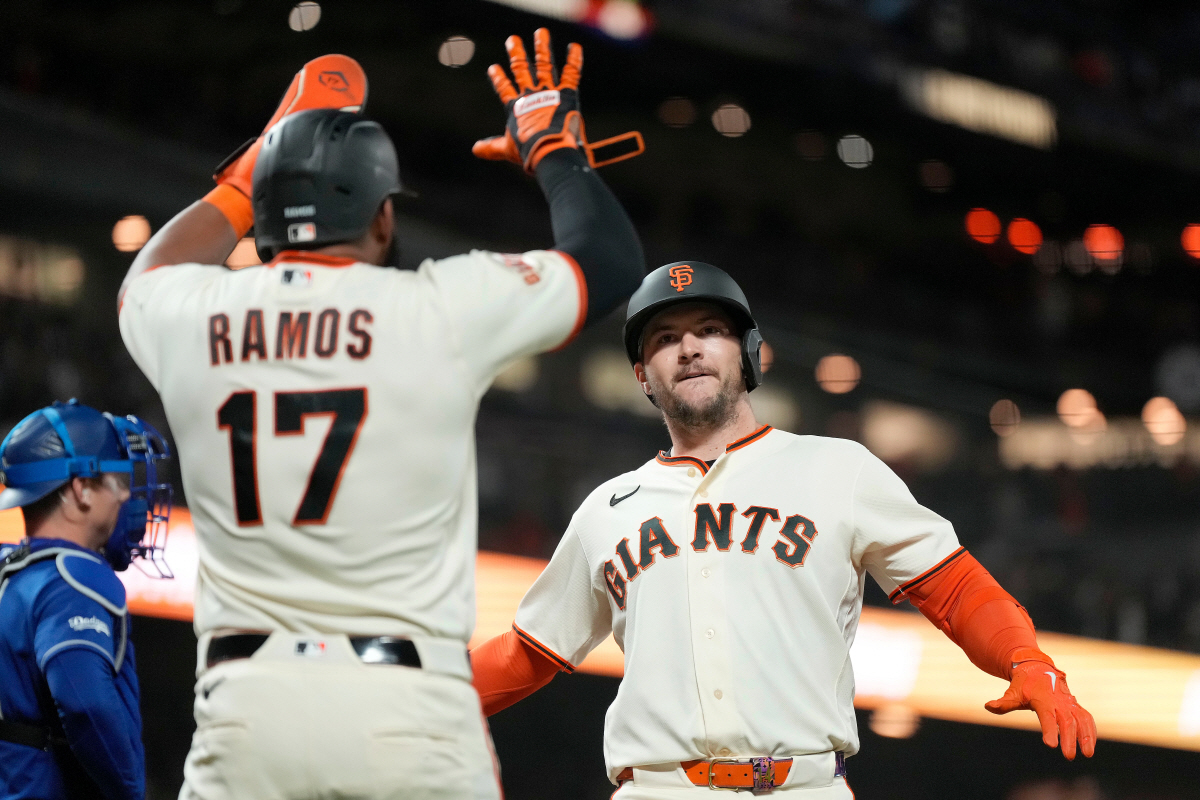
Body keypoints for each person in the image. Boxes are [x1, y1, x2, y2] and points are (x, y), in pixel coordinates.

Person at [116, 30, 643, 800]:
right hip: (407, 707)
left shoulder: (191, 312)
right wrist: (554, 150)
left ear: (262, 212)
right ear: (383, 219)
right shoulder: (437, 306)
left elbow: (151, 268)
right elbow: (610, 262)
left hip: (244, 707)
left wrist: (244, 178)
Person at [470, 262, 1098, 798]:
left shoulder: (838, 469)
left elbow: (956, 588)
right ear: (642, 374)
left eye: (710, 331)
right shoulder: (606, 508)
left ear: (747, 354)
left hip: (802, 786)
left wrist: (1027, 658)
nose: (688, 348)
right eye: (664, 338)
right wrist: (416, 698)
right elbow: (530, 650)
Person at [0, 400, 172, 800]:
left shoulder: (12, 565)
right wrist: (129, 792)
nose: (128, 497)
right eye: (120, 482)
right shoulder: (73, 578)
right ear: (82, 489)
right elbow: (85, 705)